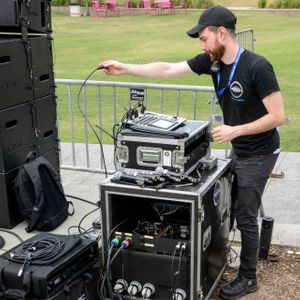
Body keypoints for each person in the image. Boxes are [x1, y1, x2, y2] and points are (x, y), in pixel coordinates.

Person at [99, 5, 285, 299]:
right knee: (232, 208)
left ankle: (249, 277)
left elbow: (278, 116)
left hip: (260, 152)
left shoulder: (257, 67)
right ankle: (226, 257)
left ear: (221, 33)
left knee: (246, 214)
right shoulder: (213, 62)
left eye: (203, 38)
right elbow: (169, 68)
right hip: (240, 148)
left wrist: (235, 130)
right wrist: (126, 67)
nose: (201, 45)